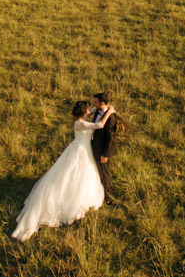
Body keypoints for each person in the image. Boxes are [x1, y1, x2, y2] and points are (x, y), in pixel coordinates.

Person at [11, 100, 116, 242]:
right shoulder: (80, 123)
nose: (89, 110)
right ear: (83, 112)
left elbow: (91, 112)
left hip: (82, 148)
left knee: (81, 174)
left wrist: (99, 107)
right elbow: (99, 125)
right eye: (87, 109)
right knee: (75, 174)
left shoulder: (82, 118)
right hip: (80, 150)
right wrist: (110, 111)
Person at [90, 92, 117, 202]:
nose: (93, 103)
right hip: (95, 147)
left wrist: (105, 154)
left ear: (101, 103)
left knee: (104, 173)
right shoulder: (98, 110)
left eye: (95, 102)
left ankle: (108, 197)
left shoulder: (110, 118)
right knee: (98, 171)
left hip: (102, 150)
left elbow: (111, 139)